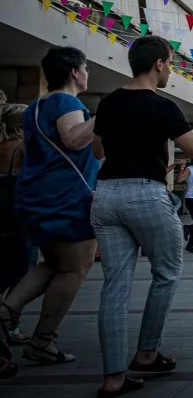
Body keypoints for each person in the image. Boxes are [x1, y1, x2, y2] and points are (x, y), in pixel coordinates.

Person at [90, 35, 193, 397]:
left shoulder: (109, 102)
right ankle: (147, 352)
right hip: (145, 193)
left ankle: (112, 377)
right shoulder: (162, 107)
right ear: (159, 63)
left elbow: (99, 148)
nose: (171, 71)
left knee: (115, 284)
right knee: (166, 272)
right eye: (170, 64)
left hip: (106, 195)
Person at [1, 47, 99, 368]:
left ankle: (5, 315)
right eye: (85, 68)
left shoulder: (35, 107)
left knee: (53, 263)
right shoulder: (66, 102)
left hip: (39, 195)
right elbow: (72, 139)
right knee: (74, 267)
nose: (88, 73)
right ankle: (43, 341)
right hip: (66, 198)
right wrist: (105, 115)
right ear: (74, 72)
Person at [0, 102, 26, 378]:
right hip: (17, 210)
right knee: (21, 268)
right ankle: (11, 322)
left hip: (0, 210)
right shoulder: (21, 148)